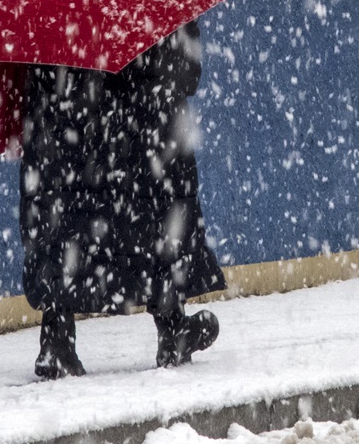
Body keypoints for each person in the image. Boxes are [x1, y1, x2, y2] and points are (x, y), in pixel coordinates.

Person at [18, 19, 225, 378]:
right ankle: (172, 328)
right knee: (159, 214)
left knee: (65, 218)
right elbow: (187, 73)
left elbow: (28, 75)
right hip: (138, 132)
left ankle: (56, 340)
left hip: (65, 129)